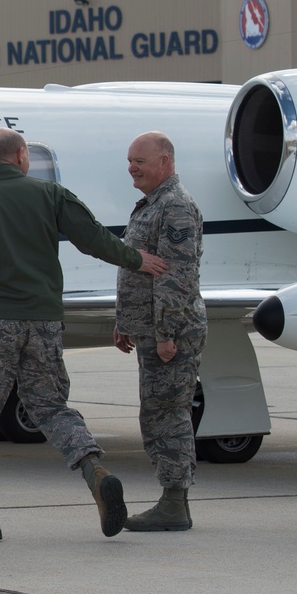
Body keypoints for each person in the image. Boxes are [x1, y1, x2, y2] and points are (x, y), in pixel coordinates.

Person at [0, 128, 167, 542]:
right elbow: (94, 239)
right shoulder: (50, 195)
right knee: (50, 407)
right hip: (45, 323)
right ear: (21, 156)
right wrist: (138, 259)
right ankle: (94, 471)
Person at [114, 131, 207, 531]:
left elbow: (176, 276)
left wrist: (166, 332)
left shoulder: (176, 207)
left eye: (140, 161)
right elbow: (139, 269)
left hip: (171, 331)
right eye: (130, 161)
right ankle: (172, 499)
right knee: (157, 414)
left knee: (168, 415)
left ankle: (174, 504)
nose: (132, 167)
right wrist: (126, 322)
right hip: (150, 329)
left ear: (165, 162)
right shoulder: (153, 205)